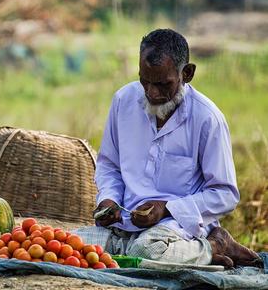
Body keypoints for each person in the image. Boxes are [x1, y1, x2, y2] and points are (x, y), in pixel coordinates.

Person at [79, 28, 262, 268]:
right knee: (72, 243)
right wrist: (109, 200)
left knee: (147, 251)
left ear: (187, 73)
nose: (152, 93)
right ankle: (153, 254)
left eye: (163, 84)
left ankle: (214, 245)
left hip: (176, 228)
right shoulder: (123, 101)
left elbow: (225, 194)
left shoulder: (207, 118)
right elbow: (109, 167)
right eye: (145, 81)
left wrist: (167, 209)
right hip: (123, 226)